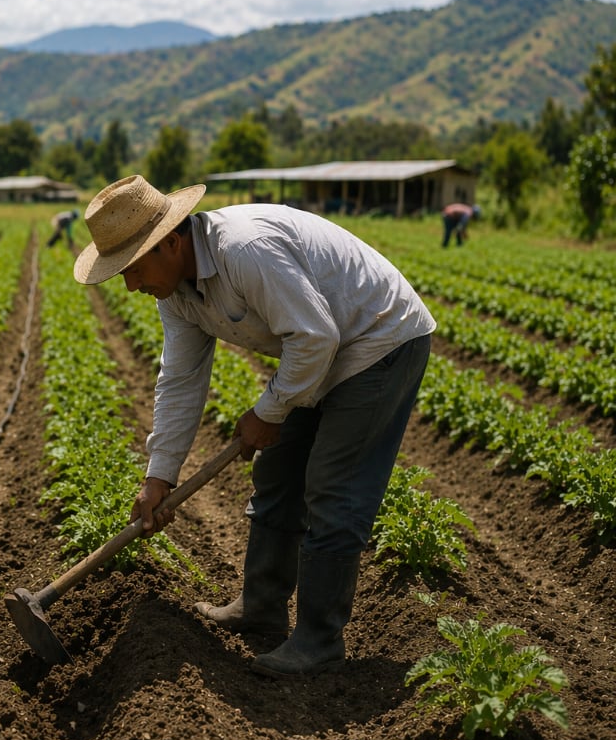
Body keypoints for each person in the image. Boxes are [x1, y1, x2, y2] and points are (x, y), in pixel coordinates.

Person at [73, 175, 435, 679]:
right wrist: (159, 477)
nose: (130, 286)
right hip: (320, 351)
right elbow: (179, 381)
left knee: (333, 489)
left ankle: (319, 640)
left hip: (378, 339)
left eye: (131, 269)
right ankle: (261, 606)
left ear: (171, 242)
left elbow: (314, 336)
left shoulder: (246, 250)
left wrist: (268, 411)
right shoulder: (174, 293)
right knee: (278, 474)